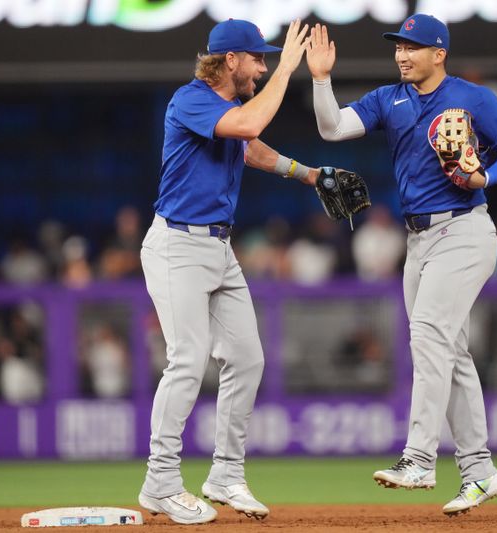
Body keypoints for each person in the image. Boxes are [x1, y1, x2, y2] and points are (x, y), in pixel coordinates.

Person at [307, 14, 497, 516]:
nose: (402, 54)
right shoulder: (391, 99)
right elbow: (332, 126)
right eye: (398, 46)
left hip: (465, 229)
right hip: (419, 240)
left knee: (429, 336)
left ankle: (420, 458)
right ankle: (479, 471)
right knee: (451, 353)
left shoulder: (472, 98)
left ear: (438, 53)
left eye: (411, 46)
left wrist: (485, 177)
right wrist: (321, 78)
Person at [137, 19, 320, 525]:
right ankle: (161, 482)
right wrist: (288, 68)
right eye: (256, 59)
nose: (262, 67)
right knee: (188, 360)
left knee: (247, 358)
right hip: (177, 244)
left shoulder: (225, 111)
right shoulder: (191, 99)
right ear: (231, 61)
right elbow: (248, 127)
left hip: (219, 247)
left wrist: (308, 174)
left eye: (268, 60)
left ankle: (225, 474)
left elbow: (250, 147)